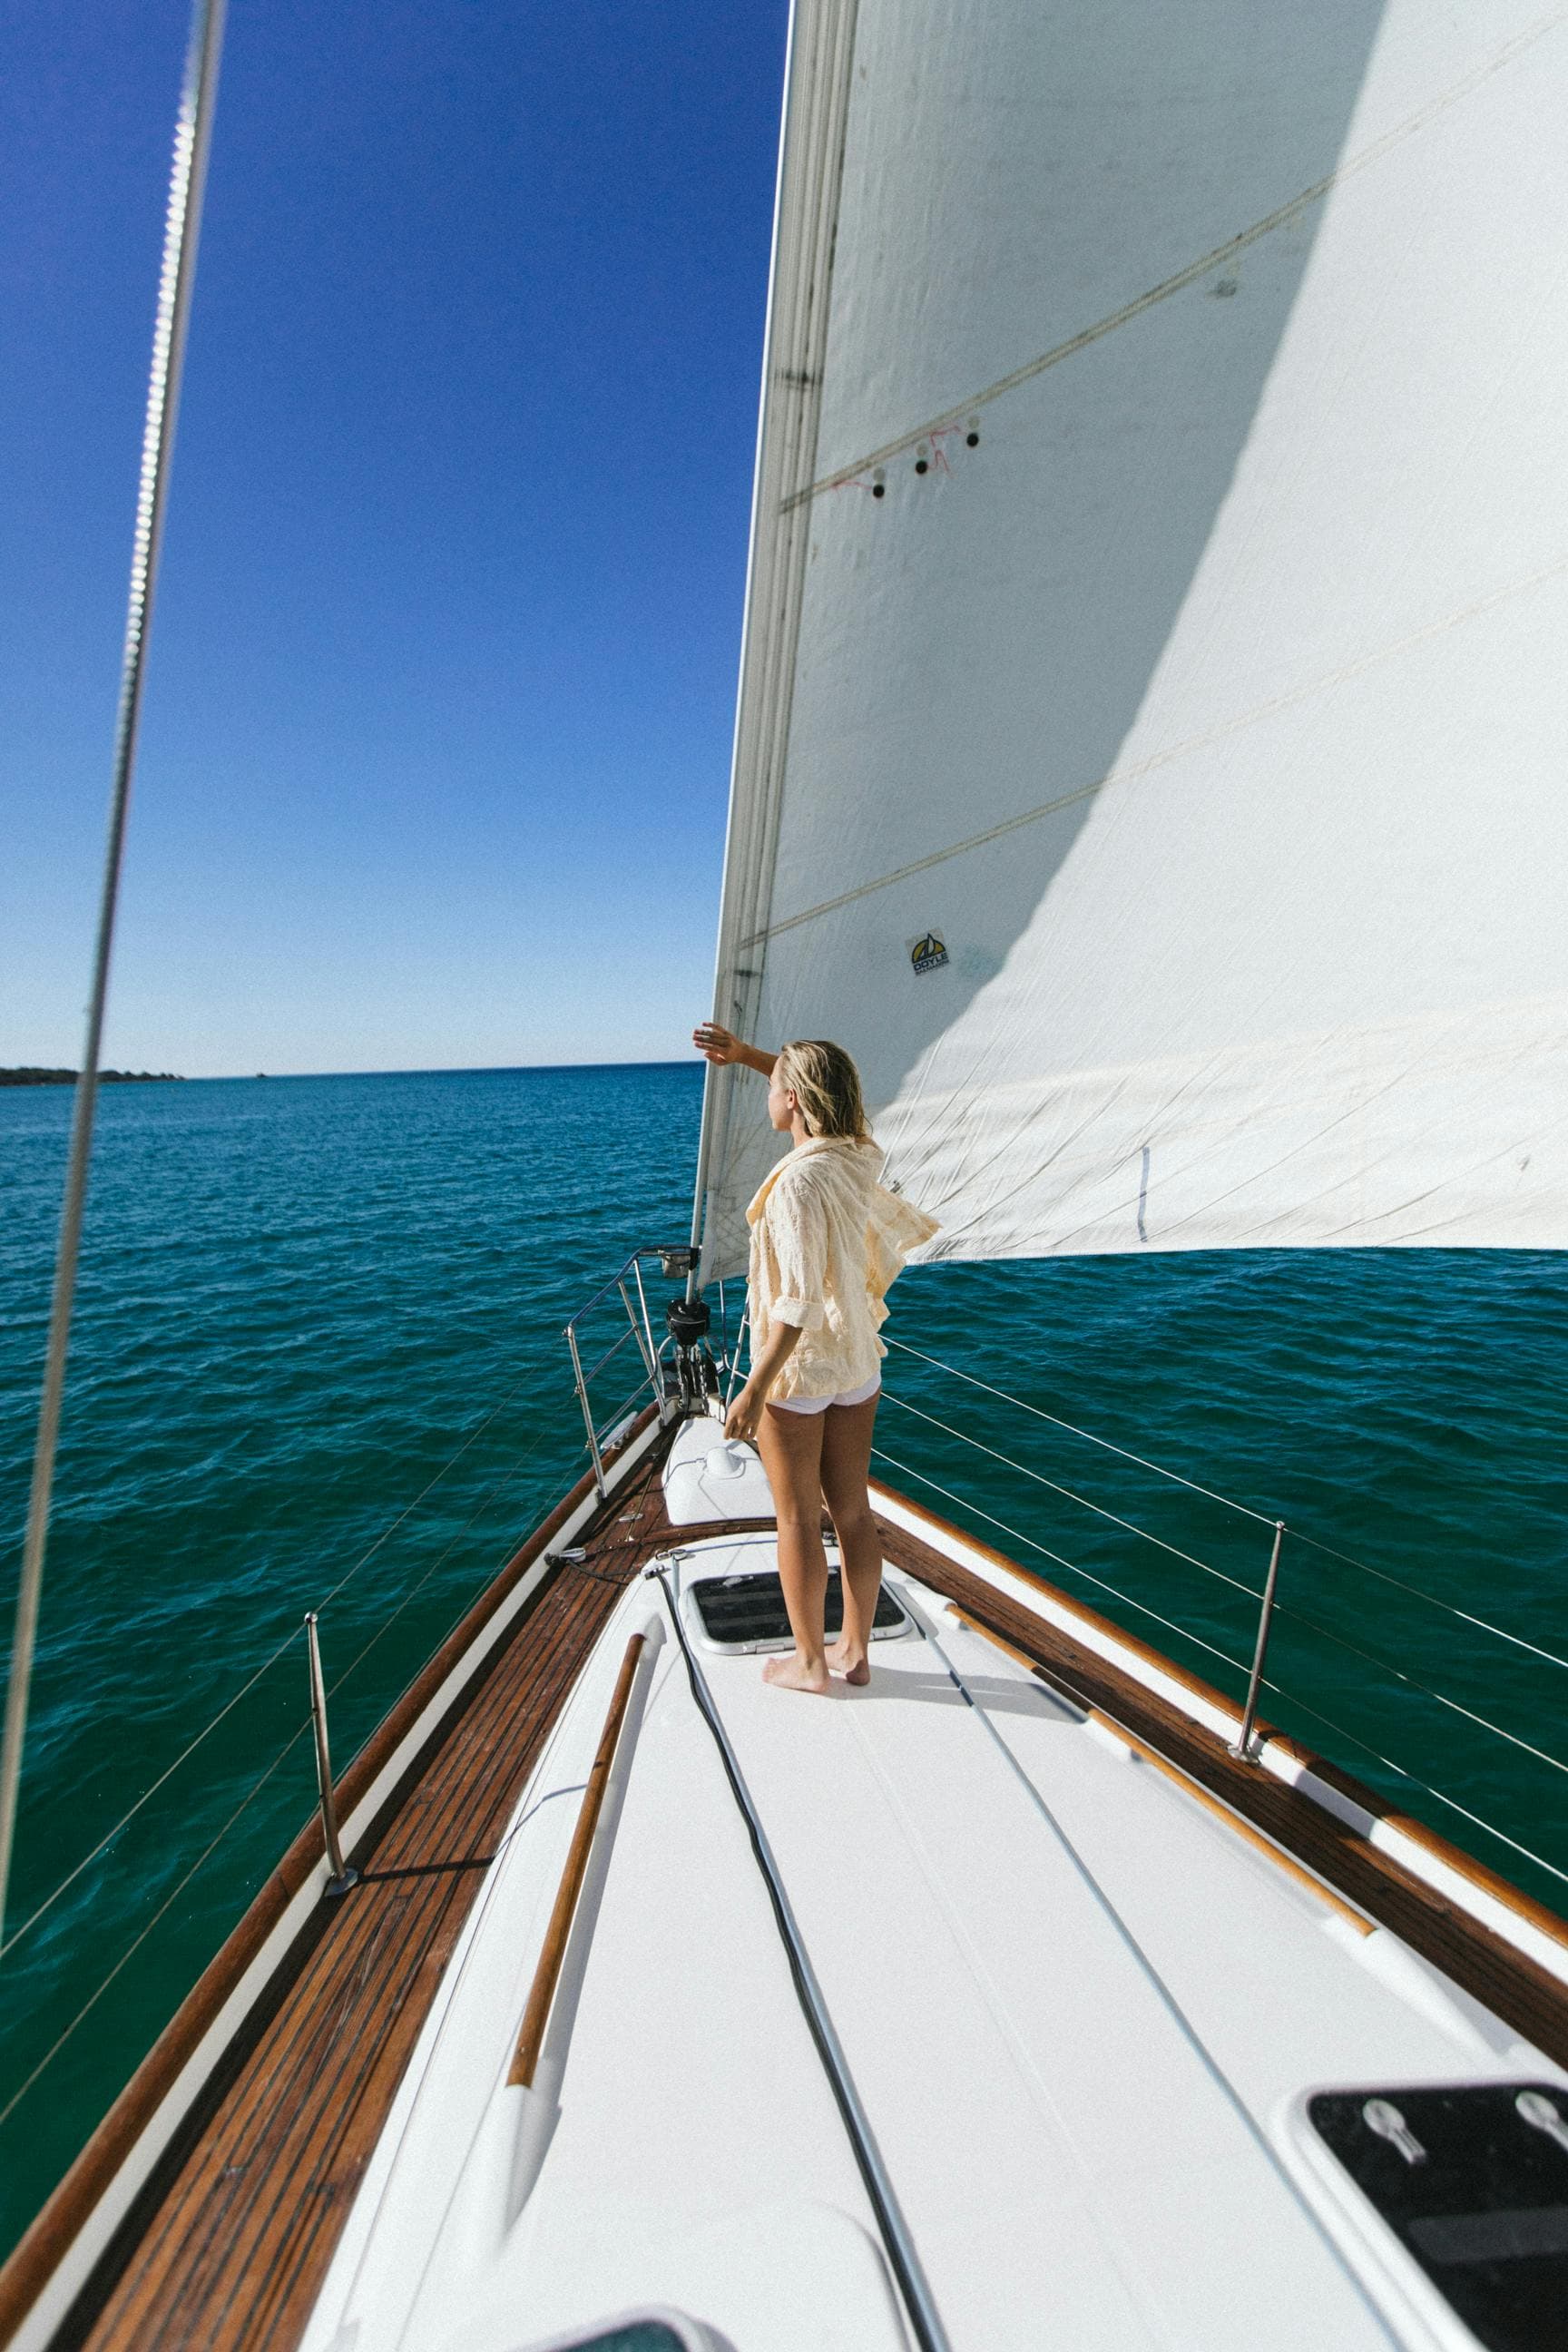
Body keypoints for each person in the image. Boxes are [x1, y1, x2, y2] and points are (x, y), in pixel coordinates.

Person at [692, 1023, 938, 1691]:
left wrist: (751, 1390)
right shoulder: (857, 1153)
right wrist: (747, 1057)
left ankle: (808, 1664)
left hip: (798, 1375)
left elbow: (795, 1305)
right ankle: (854, 1653)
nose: (767, 1094)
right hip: (858, 1362)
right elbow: (822, 1095)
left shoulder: (798, 1184)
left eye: (773, 1087)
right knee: (853, 1511)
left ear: (795, 1099)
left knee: (798, 1518)